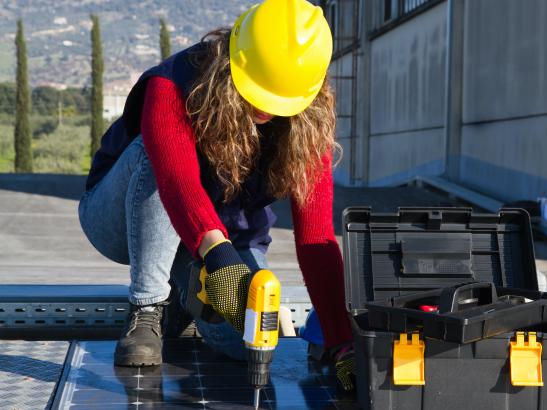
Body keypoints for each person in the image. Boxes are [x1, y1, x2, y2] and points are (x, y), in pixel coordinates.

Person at [78, 0, 355, 390]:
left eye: (279, 101)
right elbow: (178, 186)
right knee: (150, 156)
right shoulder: (172, 84)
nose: (265, 107)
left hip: (212, 238)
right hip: (122, 218)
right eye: (258, 91)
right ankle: (146, 310)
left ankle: (184, 297)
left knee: (254, 340)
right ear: (234, 60)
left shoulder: (308, 120)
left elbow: (316, 238)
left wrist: (343, 341)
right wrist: (220, 259)